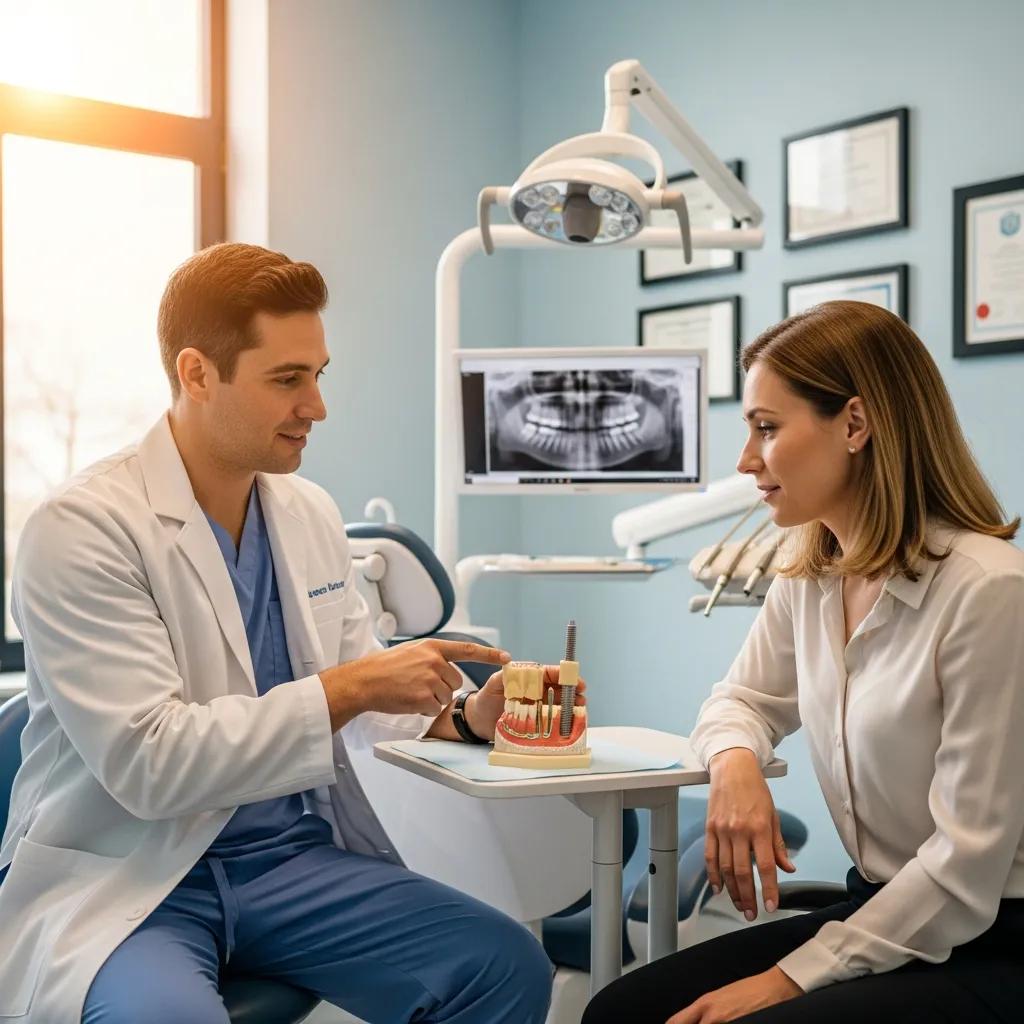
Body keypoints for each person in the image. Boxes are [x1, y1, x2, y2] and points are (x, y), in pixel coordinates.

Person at [0, 243, 571, 1023]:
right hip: (135, 877)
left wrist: (470, 713)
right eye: (287, 379)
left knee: (504, 966)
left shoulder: (306, 512)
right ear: (197, 374)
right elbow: (149, 763)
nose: (317, 406)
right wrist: (352, 686)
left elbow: (364, 688)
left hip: (289, 864)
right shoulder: (82, 529)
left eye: (318, 375)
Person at [584, 300, 1024, 1024]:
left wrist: (788, 979)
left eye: (765, 427)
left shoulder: (987, 591)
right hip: (876, 906)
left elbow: (964, 868)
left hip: (985, 934)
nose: (745, 459)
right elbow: (742, 701)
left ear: (855, 425)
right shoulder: (815, 574)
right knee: (621, 1011)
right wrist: (735, 766)